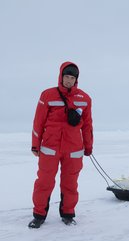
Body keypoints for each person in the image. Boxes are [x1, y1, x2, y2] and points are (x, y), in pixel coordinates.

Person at [28, 61, 93, 228]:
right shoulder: (47, 95)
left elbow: (87, 125)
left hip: (74, 149)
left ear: (76, 79)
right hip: (50, 147)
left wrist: (88, 145)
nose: (69, 80)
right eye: (67, 77)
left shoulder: (85, 99)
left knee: (70, 183)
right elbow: (38, 122)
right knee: (44, 182)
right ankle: (39, 215)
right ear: (61, 77)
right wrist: (35, 145)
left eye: (72, 77)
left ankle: (68, 214)